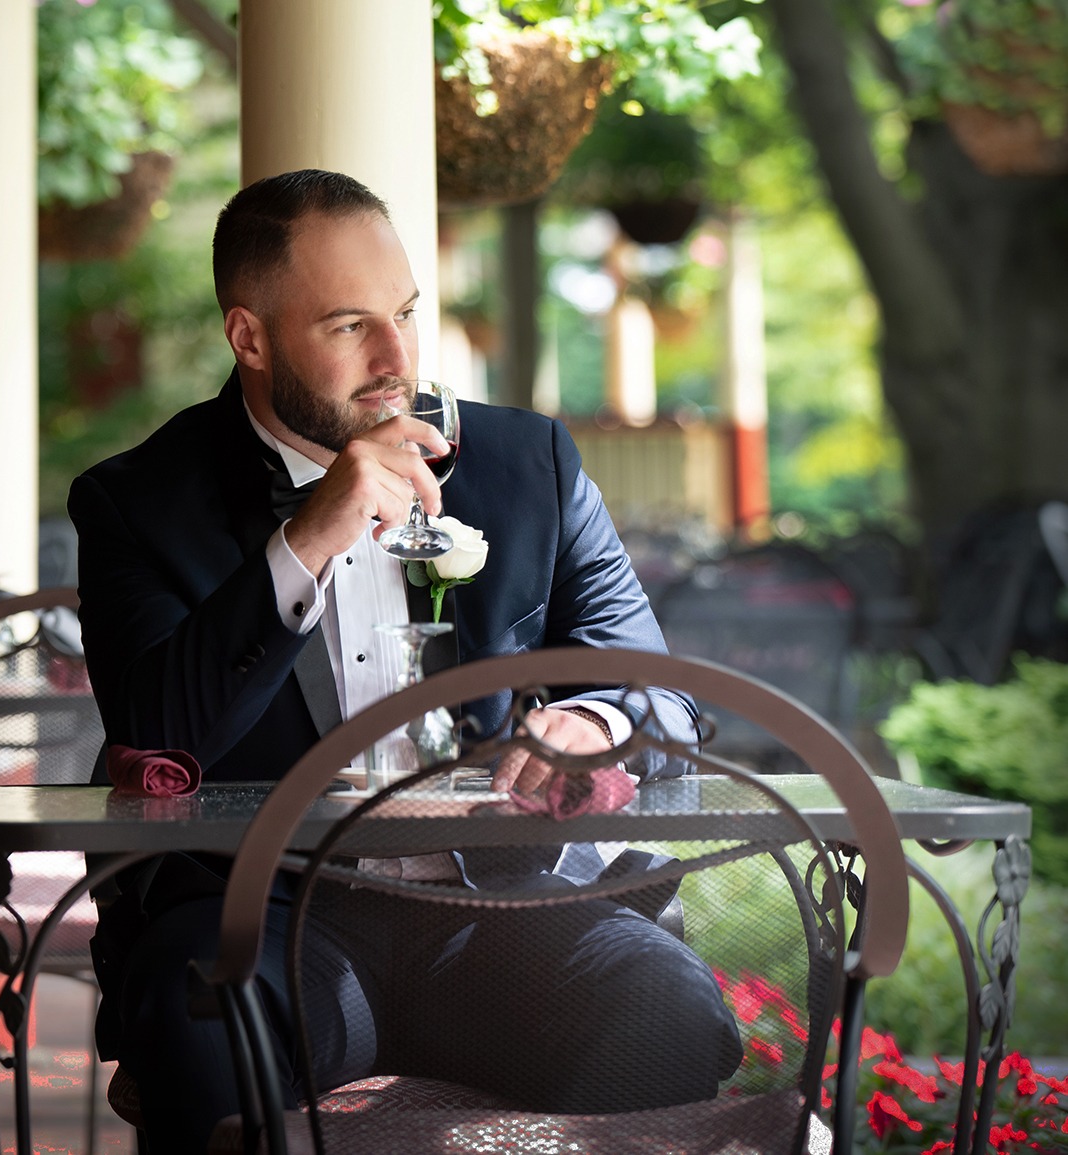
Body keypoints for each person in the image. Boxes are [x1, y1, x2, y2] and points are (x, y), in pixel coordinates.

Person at [69, 169, 741, 1152]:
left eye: (406, 315)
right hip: (265, 924)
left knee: (668, 1013)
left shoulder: (527, 465)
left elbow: (649, 686)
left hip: (498, 922)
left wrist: (591, 722)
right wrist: (305, 538)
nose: (396, 358)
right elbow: (159, 739)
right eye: (348, 326)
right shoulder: (137, 503)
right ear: (248, 337)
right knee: (200, 1036)